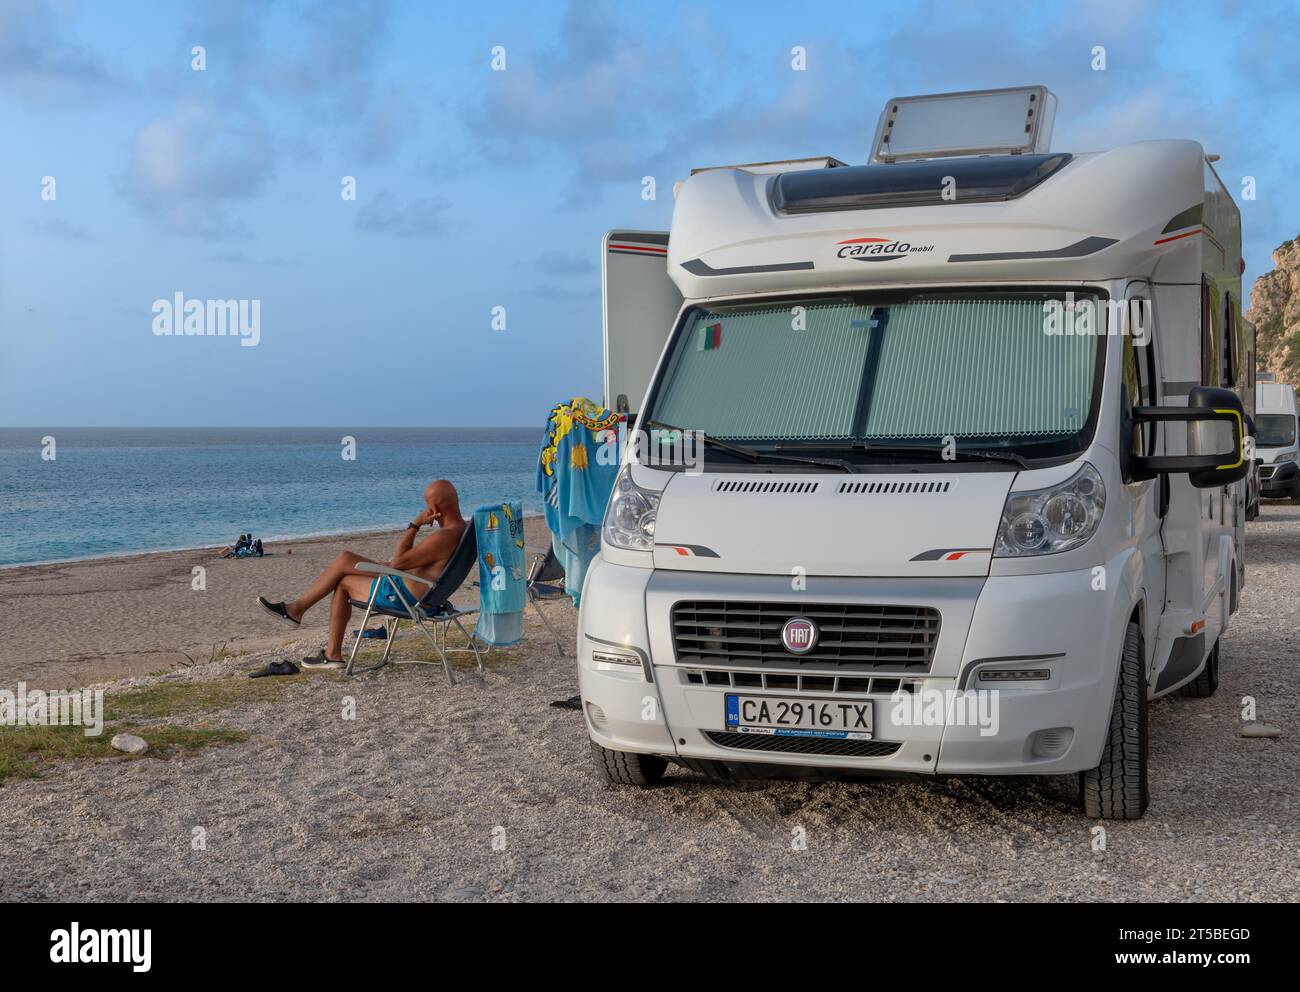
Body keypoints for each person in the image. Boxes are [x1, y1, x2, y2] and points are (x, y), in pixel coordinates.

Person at [256, 480, 467, 670]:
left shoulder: (444, 536)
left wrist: (415, 524)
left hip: (405, 596)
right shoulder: (462, 530)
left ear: (434, 509)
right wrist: (393, 565)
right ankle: (308, 626)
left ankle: (306, 621)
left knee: (343, 573)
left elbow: (399, 560)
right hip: (424, 594)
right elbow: (409, 564)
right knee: (345, 564)